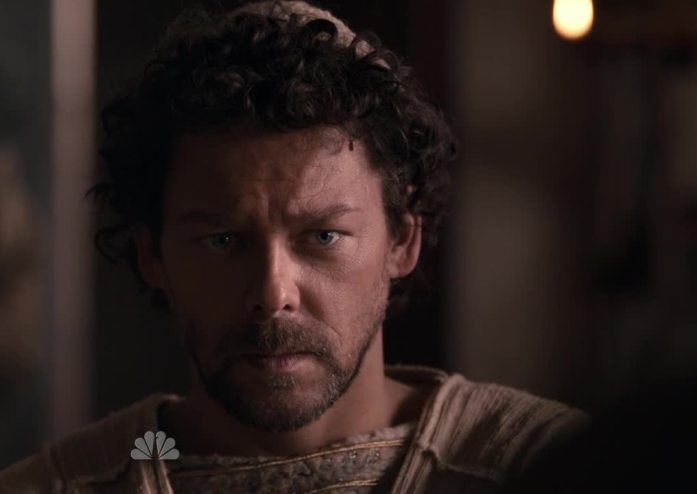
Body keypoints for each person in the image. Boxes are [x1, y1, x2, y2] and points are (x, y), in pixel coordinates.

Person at [0, 1, 587, 492]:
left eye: (323, 236)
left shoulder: (549, 466)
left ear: (402, 241)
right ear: (152, 255)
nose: (272, 292)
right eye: (222, 240)